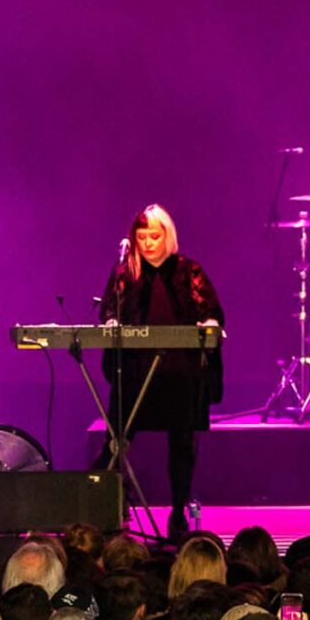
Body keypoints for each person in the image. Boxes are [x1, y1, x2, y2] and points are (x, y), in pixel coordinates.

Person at [97, 204, 225, 531]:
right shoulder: (125, 271)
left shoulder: (188, 270)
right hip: (136, 373)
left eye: (155, 236)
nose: (149, 243)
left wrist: (209, 324)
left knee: (182, 444)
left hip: (179, 376)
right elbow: (110, 310)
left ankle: (179, 511)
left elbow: (211, 311)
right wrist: (111, 322)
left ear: (168, 236)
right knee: (116, 440)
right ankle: (108, 505)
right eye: (142, 237)